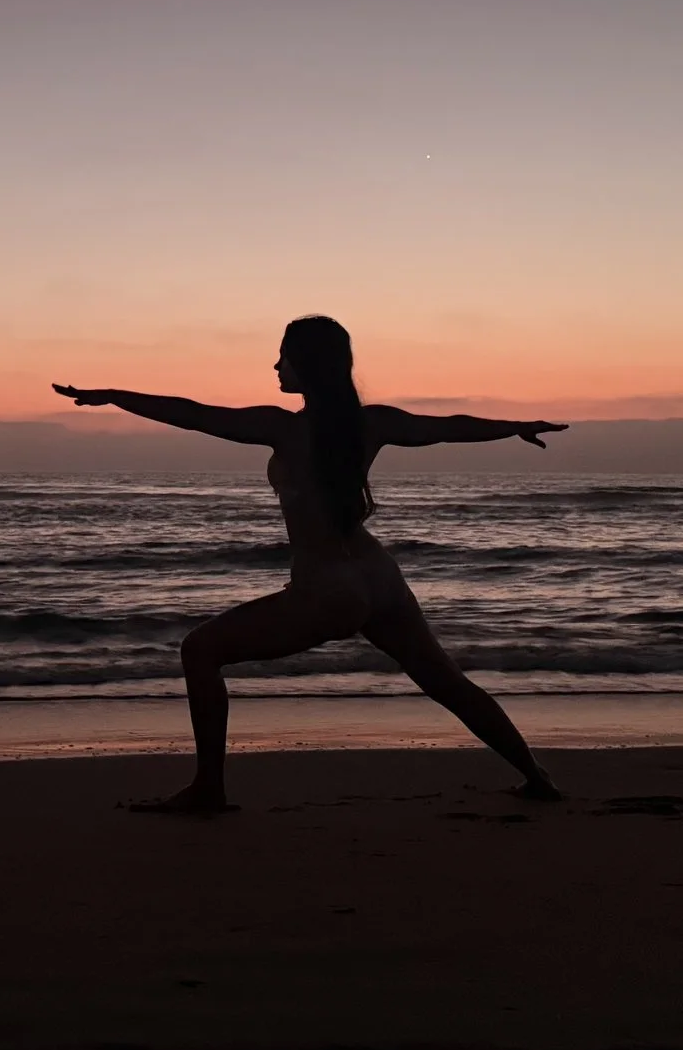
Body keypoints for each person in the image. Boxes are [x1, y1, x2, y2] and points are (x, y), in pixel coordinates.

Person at [54, 315, 568, 814]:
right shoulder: (371, 423)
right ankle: (536, 777)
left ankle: (208, 789)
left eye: (283, 357)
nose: (276, 367)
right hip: (377, 576)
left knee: (199, 652)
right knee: (445, 681)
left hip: (330, 589)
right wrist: (514, 427)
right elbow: (446, 428)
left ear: (306, 364)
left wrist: (115, 396)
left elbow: (194, 414)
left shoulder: (282, 428)